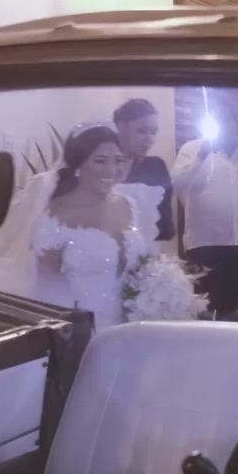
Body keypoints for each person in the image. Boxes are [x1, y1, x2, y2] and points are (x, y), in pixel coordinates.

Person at [32, 124, 150, 330]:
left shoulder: (129, 205)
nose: (112, 170)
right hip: (82, 330)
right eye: (100, 161)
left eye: (118, 160)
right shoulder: (56, 214)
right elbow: (45, 288)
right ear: (78, 165)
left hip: (130, 328)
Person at [171, 108, 238, 316]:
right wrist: (201, 157)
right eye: (219, 123)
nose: (226, 127)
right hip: (205, 246)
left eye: (229, 122)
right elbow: (175, 186)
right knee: (206, 310)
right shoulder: (191, 149)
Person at [113, 98, 175, 243]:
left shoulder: (156, 167)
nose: (149, 139)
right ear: (121, 126)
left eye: (154, 132)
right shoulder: (97, 167)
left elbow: (165, 228)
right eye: (142, 131)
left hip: (143, 251)